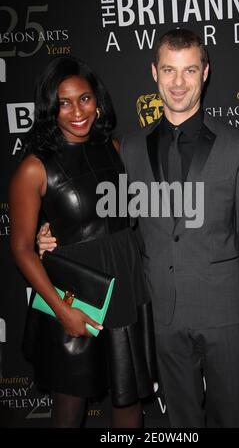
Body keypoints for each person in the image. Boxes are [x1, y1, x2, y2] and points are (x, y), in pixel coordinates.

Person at [38, 29, 239, 428]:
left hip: (224, 311)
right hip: (159, 314)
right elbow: (107, 217)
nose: (178, 82)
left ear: (205, 72)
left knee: (230, 418)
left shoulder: (238, 144)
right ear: (154, 73)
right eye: (169, 70)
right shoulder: (127, 149)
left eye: (188, 70)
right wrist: (50, 231)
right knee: (181, 422)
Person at [9, 56, 156, 428]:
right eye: (64, 102)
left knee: (129, 402)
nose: (78, 111)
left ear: (98, 100)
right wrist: (62, 310)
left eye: (85, 99)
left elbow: (130, 216)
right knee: (69, 409)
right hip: (75, 299)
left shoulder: (116, 150)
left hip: (125, 287)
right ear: (49, 108)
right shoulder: (34, 167)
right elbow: (22, 248)